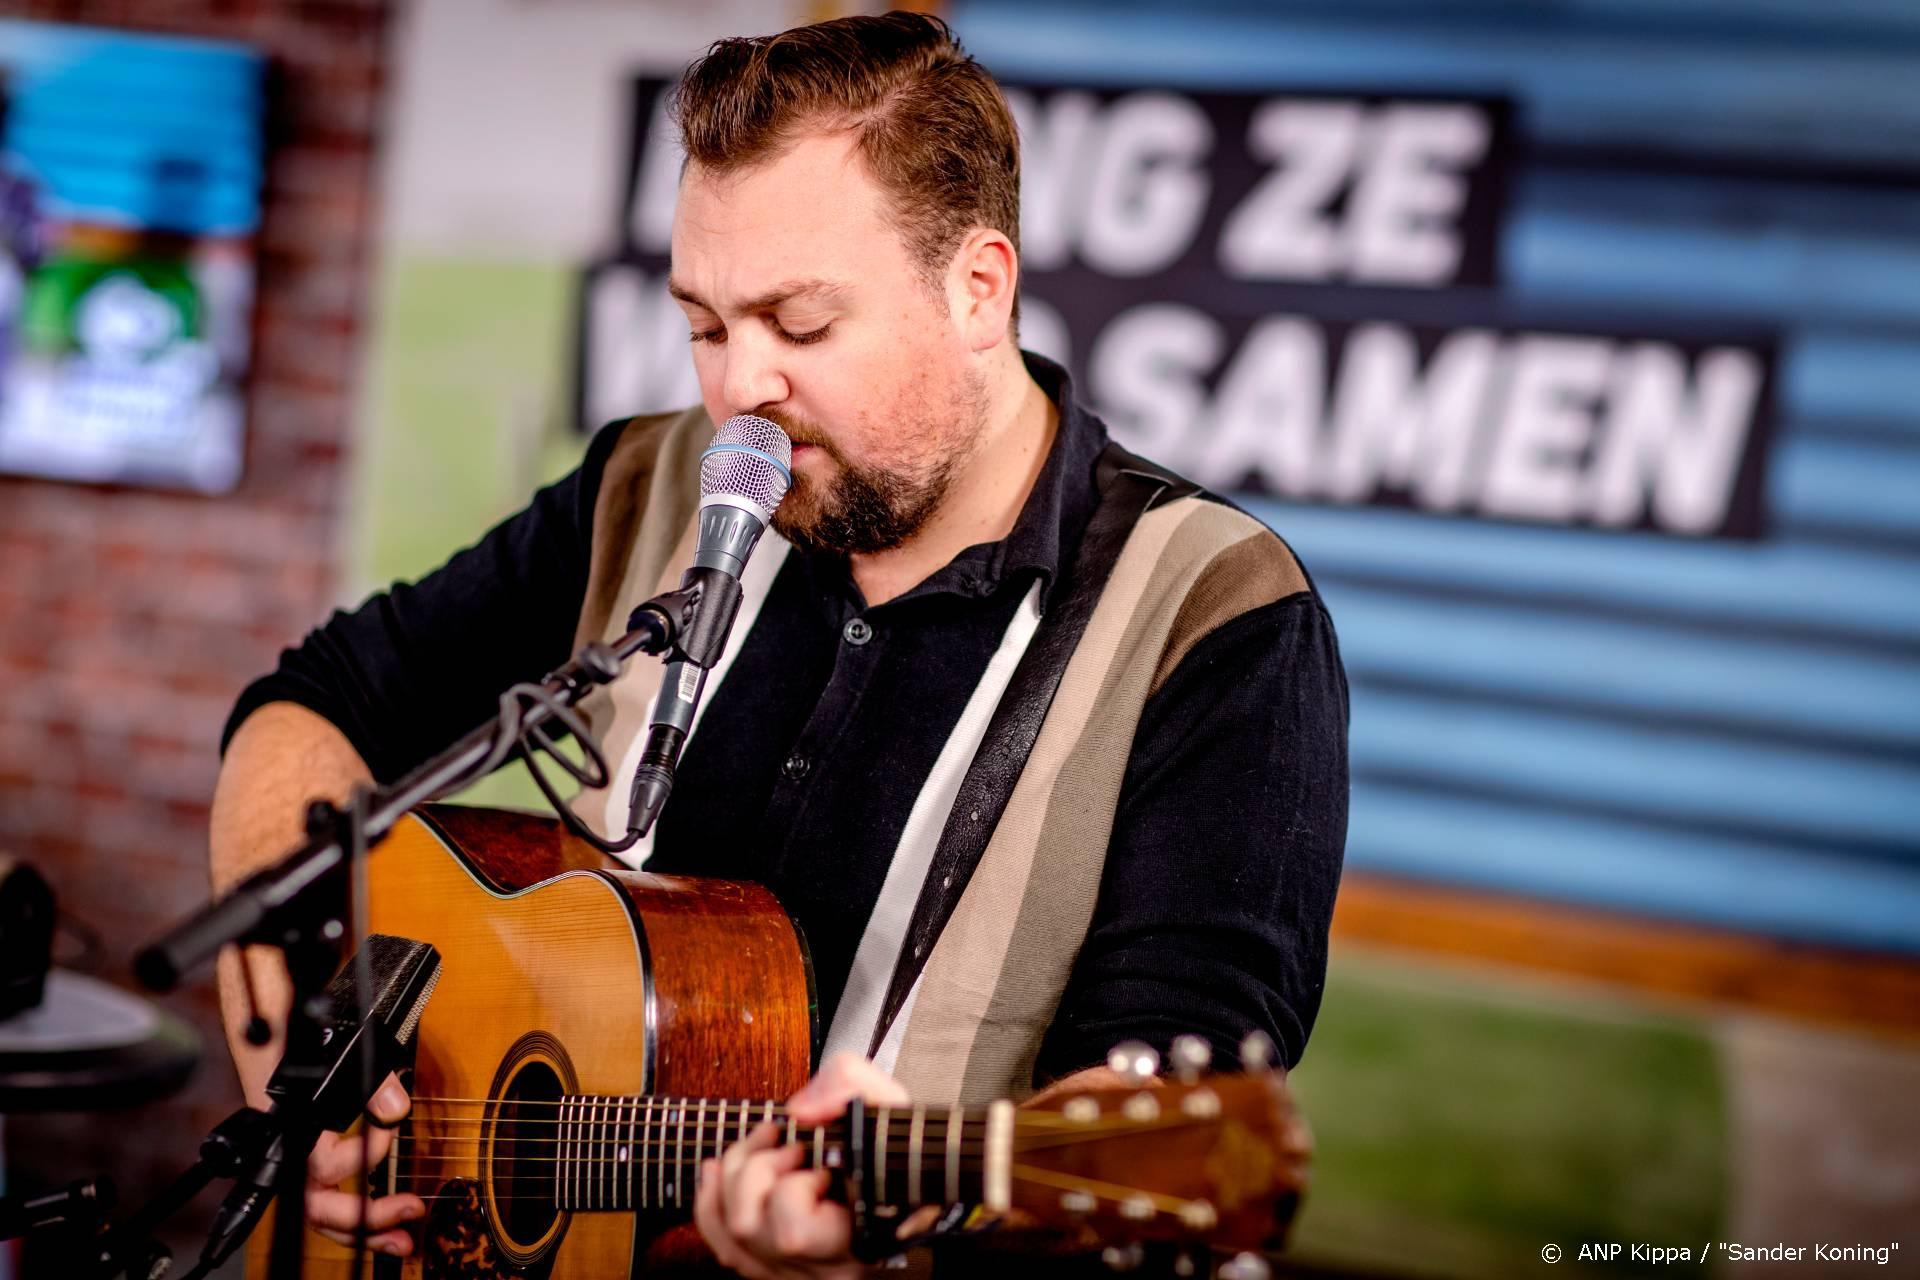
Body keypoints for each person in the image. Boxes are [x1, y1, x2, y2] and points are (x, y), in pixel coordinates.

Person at [208, 12, 1347, 1278]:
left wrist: (857, 1240)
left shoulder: (1217, 615)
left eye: (799, 326)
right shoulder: (645, 489)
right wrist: (307, 1080)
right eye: (704, 324)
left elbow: (1157, 1091)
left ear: (980, 288)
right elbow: (316, 704)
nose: (737, 386)